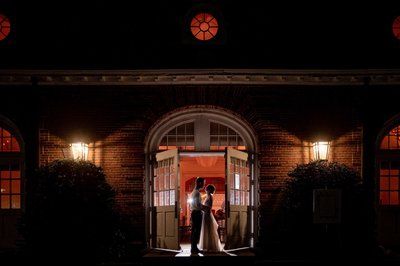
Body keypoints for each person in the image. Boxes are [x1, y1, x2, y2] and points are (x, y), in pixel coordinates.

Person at [198, 184, 223, 252]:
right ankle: (206, 246)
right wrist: (202, 207)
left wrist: (201, 206)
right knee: (206, 230)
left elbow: (209, 208)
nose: (205, 189)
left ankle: (210, 246)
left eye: (206, 188)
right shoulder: (208, 196)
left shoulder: (210, 196)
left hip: (207, 215)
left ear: (209, 190)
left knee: (208, 230)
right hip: (205, 214)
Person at [190, 177, 205, 253]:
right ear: (200, 183)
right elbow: (198, 204)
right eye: (203, 183)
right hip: (196, 213)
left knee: (194, 230)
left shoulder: (193, 192)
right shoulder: (197, 193)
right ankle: (194, 248)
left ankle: (193, 247)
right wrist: (204, 209)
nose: (204, 185)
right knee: (196, 230)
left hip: (193, 212)